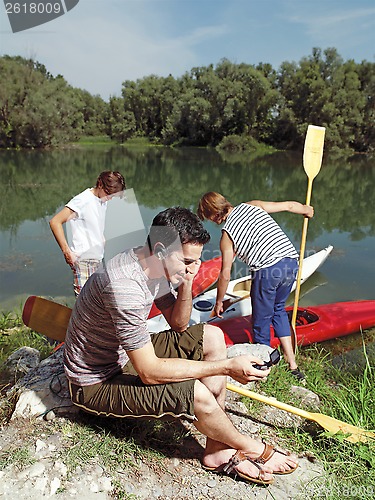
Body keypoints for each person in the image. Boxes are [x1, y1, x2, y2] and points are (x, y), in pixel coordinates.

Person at [63, 206, 298, 485]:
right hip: (94, 383)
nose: (192, 267)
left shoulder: (148, 261)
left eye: (195, 261)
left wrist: (186, 283)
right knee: (196, 391)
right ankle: (250, 446)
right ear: (161, 249)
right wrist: (225, 367)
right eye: (186, 260)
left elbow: (178, 324)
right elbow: (149, 371)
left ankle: (216, 450)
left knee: (211, 336)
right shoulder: (124, 285)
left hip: (122, 354)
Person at [197, 192, 314, 380]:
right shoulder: (253, 205)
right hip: (291, 262)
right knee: (278, 310)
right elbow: (289, 206)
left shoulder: (227, 236)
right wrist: (306, 210)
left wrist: (219, 301)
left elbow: (225, 272)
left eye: (208, 217)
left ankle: (263, 368)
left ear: (213, 214)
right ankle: (293, 365)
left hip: (267, 271)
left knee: (260, 321)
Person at [49, 171, 126, 296]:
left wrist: (102, 238)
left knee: (98, 303)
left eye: (113, 196)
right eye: (108, 194)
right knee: (84, 303)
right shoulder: (83, 200)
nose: (109, 198)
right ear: (100, 184)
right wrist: (67, 252)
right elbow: (55, 222)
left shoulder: (102, 200)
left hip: (97, 259)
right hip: (83, 261)